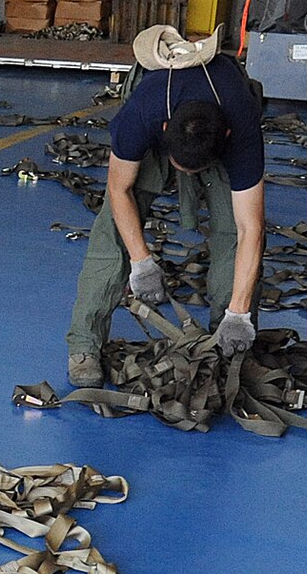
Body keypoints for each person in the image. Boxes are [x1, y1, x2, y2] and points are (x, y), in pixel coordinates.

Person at [64, 25, 266, 388]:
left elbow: (250, 228)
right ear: (163, 130)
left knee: (231, 236)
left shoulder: (242, 126)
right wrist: (141, 262)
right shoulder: (143, 112)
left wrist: (239, 312)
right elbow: (119, 188)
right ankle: (84, 344)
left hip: (217, 125)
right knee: (111, 234)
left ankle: (232, 340)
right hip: (161, 118)